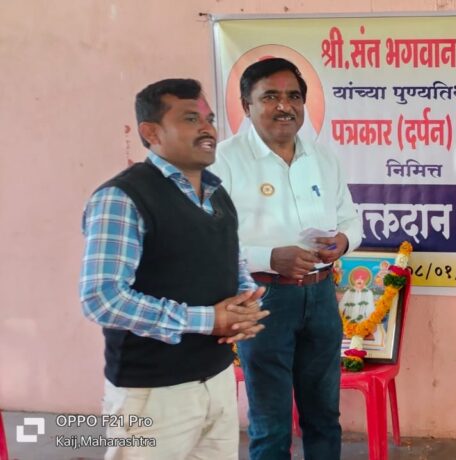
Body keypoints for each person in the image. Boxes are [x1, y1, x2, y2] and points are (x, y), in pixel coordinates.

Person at [80, 78, 269, 459]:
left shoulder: (216, 194)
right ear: (151, 133)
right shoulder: (123, 197)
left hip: (217, 381)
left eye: (210, 119)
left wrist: (245, 305)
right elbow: (102, 299)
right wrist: (208, 320)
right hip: (153, 394)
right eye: (190, 119)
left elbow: (231, 262)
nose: (208, 129)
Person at [211, 57, 363, 459]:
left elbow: (351, 220)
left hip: (321, 297)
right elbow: (207, 243)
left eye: (293, 96)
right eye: (270, 97)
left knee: (324, 416)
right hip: (263, 300)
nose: (284, 106)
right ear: (246, 105)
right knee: (270, 423)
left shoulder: (323, 158)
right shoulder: (223, 162)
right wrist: (268, 257)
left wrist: (342, 241)